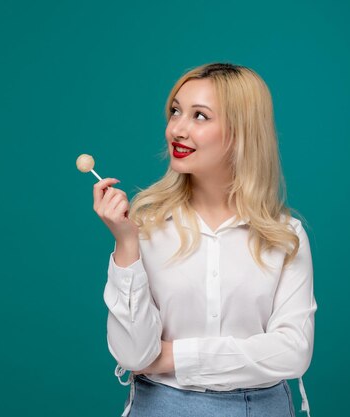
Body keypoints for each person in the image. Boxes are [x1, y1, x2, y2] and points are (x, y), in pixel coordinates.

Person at [92, 63, 316, 417]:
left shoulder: (286, 236)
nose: (177, 129)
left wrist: (171, 357)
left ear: (241, 132)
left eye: (200, 116)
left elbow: (293, 353)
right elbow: (133, 355)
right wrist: (126, 245)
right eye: (176, 112)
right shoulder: (145, 227)